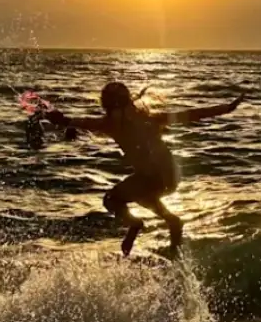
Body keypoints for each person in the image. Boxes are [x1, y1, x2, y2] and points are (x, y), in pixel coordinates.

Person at [45, 82, 246, 256]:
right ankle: (171, 225)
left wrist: (226, 108)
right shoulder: (125, 122)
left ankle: (137, 225)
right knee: (138, 195)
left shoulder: (122, 123)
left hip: (158, 178)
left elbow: (191, 115)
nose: (116, 112)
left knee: (115, 199)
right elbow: (71, 122)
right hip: (164, 177)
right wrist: (58, 118)